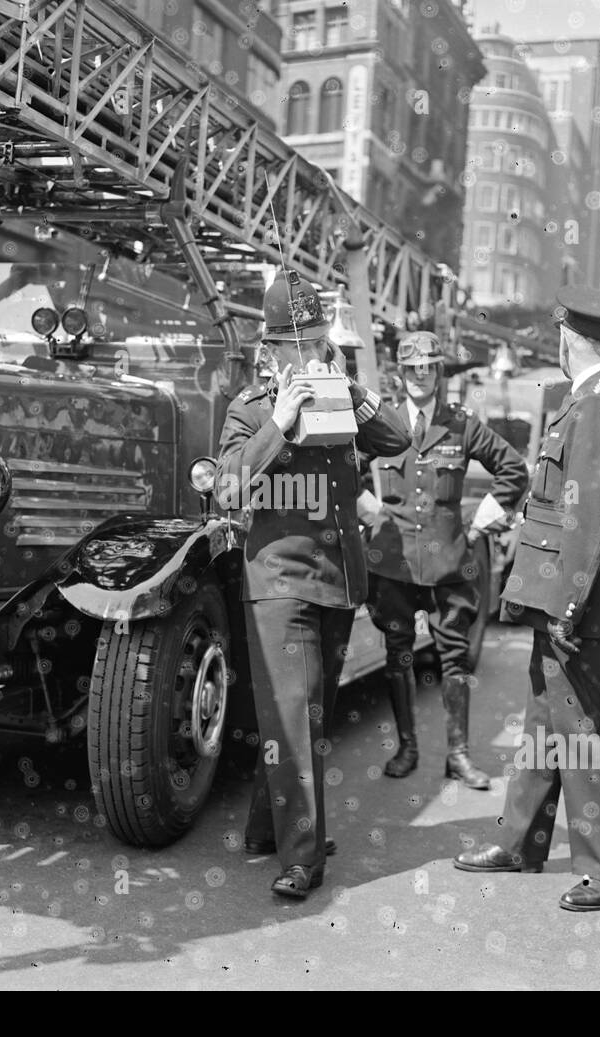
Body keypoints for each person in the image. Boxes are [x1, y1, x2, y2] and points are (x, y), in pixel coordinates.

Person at [454, 286, 600, 915]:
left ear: (569, 338)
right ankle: (521, 841)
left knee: (588, 732)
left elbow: (587, 516)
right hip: (564, 597)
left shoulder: (597, 405)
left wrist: (568, 605)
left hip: (577, 604)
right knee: (545, 723)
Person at [216, 269, 409, 899]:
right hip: (277, 577)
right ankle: (303, 858)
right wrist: (281, 419)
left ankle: (263, 829)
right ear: (270, 350)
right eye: (297, 342)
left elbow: (399, 437)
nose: (309, 351)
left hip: (336, 579)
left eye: (316, 338)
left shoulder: (341, 394)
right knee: (294, 718)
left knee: (306, 712)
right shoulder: (250, 410)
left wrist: (346, 385)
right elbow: (227, 487)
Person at [358, 329, 528, 787]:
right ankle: (407, 747)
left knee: (454, 658)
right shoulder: (380, 422)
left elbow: (514, 469)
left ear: (438, 372)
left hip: (449, 563)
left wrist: (479, 522)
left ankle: (458, 755)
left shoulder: (461, 424)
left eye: (427, 368)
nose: (418, 376)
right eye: (411, 368)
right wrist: (365, 506)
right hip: (391, 562)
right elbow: (343, 470)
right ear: (400, 372)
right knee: (398, 655)